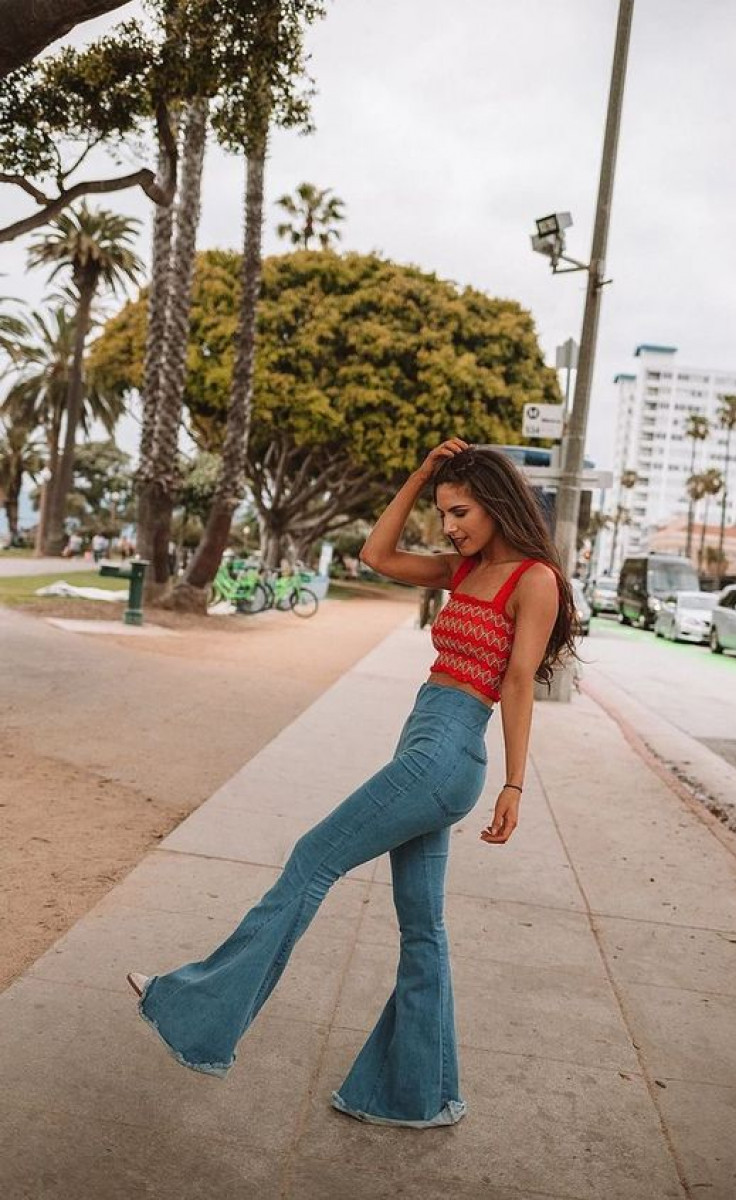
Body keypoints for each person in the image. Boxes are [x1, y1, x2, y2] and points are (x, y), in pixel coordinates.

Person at [126, 438, 578, 1128]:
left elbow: (518, 680)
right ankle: (414, 1096)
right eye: (443, 513)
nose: (450, 526)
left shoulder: (534, 579)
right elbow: (376, 556)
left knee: (312, 859)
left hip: (450, 753)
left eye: (459, 510)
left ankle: (195, 1016)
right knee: (423, 925)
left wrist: (516, 785)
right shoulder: (462, 571)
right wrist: (422, 473)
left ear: (494, 501)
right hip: (425, 738)